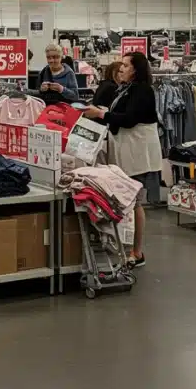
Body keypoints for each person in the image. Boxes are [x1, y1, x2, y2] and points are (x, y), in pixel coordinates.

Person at [82, 52, 159, 267]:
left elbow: (129, 119)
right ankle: (126, 247)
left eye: (125, 65)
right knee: (127, 200)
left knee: (134, 201)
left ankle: (136, 251)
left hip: (137, 151)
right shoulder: (125, 89)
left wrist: (100, 114)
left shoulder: (142, 91)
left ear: (136, 69)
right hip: (127, 148)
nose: (121, 69)